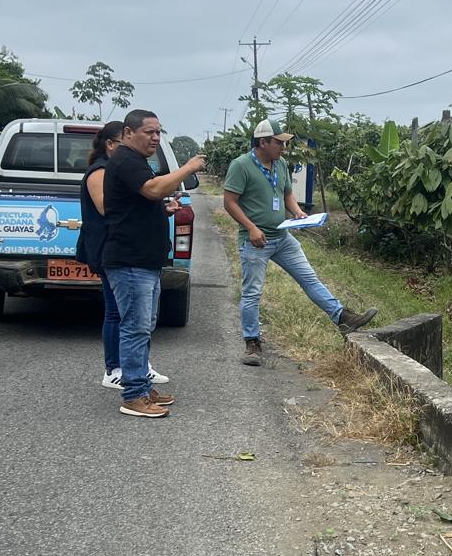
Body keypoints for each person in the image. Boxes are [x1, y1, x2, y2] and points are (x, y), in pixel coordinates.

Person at [223, 118, 376, 366]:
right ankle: (252, 343)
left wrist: (297, 213)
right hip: (256, 241)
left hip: (282, 236)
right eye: (279, 142)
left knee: (309, 278)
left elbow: (286, 194)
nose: (283, 147)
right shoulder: (241, 165)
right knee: (252, 292)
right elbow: (230, 202)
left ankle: (342, 317)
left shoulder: (281, 164)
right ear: (263, 142)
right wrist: (251, 228)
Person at [102, 109, 206, 418]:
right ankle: (134, 395)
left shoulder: (136, 161)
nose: (156, 138)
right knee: (135, 327)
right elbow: (153, 189)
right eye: (149, 132)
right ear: (128, 133)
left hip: (144, 261)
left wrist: (162, 209)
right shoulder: (125, 159)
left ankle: (143, 387)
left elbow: (141, 201)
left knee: (144, 326)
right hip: (130, 261)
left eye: (159, 132)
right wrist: (188, 167)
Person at [76, 121, 170, 392]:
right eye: (124, 142)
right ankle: (116, 370)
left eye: (157, 133)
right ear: (112, 144)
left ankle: (137, 370)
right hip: (114, 250)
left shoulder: (122, 167)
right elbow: (109, 207)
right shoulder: (101, 171)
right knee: (118, 314)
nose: (153, 139)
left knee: (135, 319)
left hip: (132, 251)